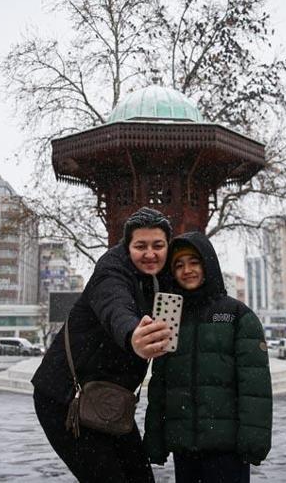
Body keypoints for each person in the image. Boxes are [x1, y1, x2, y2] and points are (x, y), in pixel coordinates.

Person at [31, 207, 173, 483]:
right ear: (126, 246)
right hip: (65, 399)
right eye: (140, 246)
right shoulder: (111, 269)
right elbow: (115, 306)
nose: (150, 254)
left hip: (109, 400)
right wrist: (133, 334)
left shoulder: (158, 279)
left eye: (158, 245)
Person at [144, 232, 272, 483]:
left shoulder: (237, 316)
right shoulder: (170, 318)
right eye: (178, 265)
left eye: (194, 262)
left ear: (208, 264)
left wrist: (253, 441)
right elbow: (161, 384)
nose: (187, 270)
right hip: (185, 448)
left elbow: (254, 387)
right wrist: (155, 440)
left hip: (226, 449)